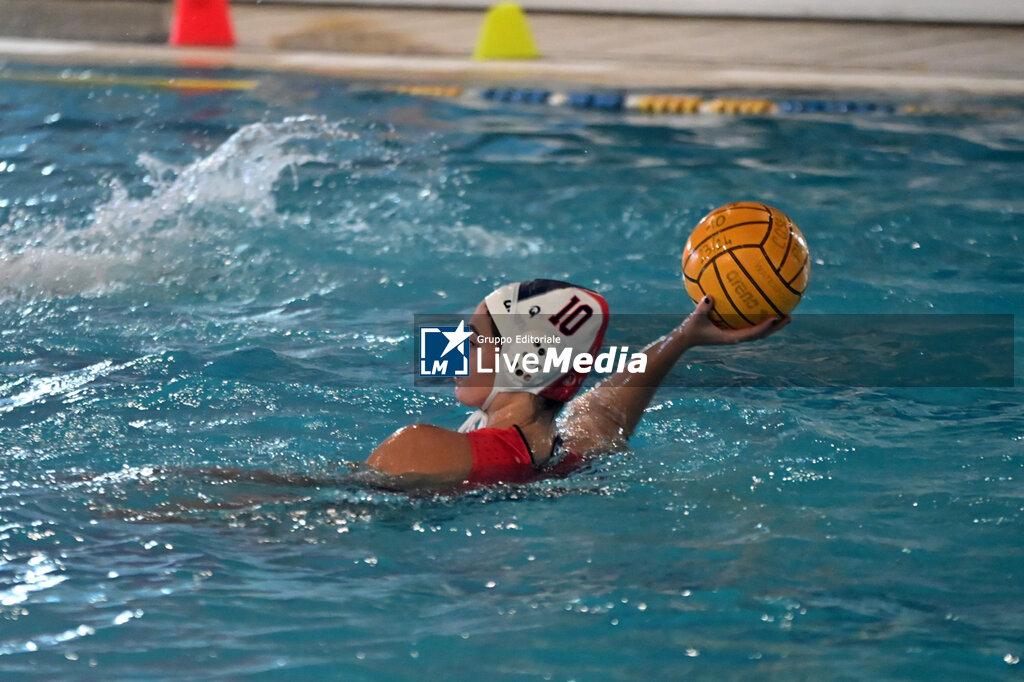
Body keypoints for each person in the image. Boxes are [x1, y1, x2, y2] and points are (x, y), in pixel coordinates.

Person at [368, 279, 789, 487]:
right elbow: (605, 408)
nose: (458, 346)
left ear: (527, 367)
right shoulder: (567, 454)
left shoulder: (420, 447)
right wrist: (685, 337)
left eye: (477, 338)